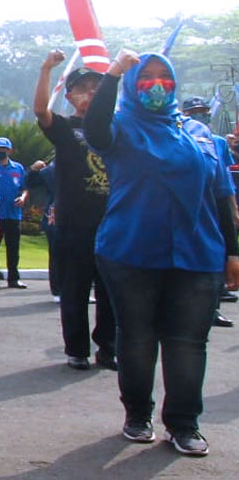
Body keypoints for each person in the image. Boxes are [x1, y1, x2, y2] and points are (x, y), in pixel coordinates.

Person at [86, 50, 239, 456]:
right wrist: (114, 75)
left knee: (188, 342)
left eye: (164, 77)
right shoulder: (121, 128)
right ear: (134, 86)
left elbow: (221, 194)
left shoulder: (201, 134)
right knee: (137, 338)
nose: (156, 84)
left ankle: (184, 424)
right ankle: (137, 415)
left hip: (197, 252)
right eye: (146, 77)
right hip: (132, 250)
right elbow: (94, 127)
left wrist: (233, 251)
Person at [33, 53, 117, 370]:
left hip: (112, 224)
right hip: (75, 225)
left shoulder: (115, 130)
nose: (91, 93)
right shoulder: (67, 129)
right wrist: (45, 69)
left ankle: (108, 349)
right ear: (70, 97)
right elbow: (41, 110)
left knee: (111, 292)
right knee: (75, 290)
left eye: (97, 87)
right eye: (83, 88)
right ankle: (77, 349)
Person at [181, 96, 239, 328]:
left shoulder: (217, 142)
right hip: (191, 209)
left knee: (215, 254)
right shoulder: (177, 137)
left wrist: (233, 208)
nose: (201, 115)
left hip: (214, 207)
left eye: (204, 111)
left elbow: (223, 181)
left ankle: (212, 308)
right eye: (195, 111)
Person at [0, 137, 28, 289]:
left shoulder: (18, 168)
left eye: (2, 149)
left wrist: (23, 198)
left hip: (13, 214)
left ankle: (13, 278)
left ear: (9, 150)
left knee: (13, 248)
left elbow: (24, 188)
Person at [25, 160, 60, 301]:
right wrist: (33, 170)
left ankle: (81, 292)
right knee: (57, 254)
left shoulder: (83, 166)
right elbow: (31, 183)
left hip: (78, 217)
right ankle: (58, 291)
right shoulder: (50, 170)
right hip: (54, 216)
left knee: (80, 256)